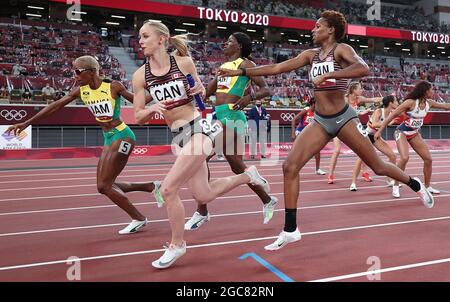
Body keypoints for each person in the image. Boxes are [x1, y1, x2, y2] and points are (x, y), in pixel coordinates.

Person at [219, 10, 434, 251]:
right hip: (320, 120)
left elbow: (362, 69)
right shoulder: (310, 55)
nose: (313, 29)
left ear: (331, 29)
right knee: (289, 166)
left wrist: (332, 73)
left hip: (343, 118)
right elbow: (278, 68)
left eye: (318, 26)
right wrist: (242, 72)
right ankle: (291, 229)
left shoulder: (341, 50)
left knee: (378, 166)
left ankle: (414, 183)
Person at [133, 21, 270, 268]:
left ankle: (177, 245)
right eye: (139, 37)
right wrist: (152, 108)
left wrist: (196, 89)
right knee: (203, 193)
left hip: (198, 131)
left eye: (145, 36)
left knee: (167, 190)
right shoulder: (139, 76)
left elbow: (198, 96)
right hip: (179, 136)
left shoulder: (184, 63)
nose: (140, 41)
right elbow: (138, 116)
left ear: (161, 39)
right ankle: (248, 176)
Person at [6, 55, 159, 235]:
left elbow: (137, 102)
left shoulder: (113, 86)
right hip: (108, 137)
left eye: (78, 71)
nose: (75, 76)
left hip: (123, 135)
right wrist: (25, 123)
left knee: (104, 186)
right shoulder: (81, 90)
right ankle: (151, 186)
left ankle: (139, 218)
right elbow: (56, 106)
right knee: (104, 185)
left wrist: (155, 90)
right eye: (74, 71)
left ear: (92, 71)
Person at [184, 32, 277, 231]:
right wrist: (191, 97)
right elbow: (207, 92)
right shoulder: (224, 67)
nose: (224, 44)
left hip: (234, 117)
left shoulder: (247, 65)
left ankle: (202, 211)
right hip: (218, 115)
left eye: (229, 42)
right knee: (236, 166)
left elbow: (267, 89)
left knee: (202, 156)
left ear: (240, 46)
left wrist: (248, 98)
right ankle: (268, 200)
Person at [375, 80, 450, 196]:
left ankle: (428, 186)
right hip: (402, 132)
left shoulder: (429, 103)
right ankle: (395, 185)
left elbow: (446, 106)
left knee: (428, 159)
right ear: (425, 91)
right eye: (431, 89)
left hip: (414, 133)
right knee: (404, 158)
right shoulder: (410, 103)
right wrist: (379, 131)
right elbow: (391, 116)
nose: (433, 91)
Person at [327, 81, 381, 184]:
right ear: (354, 89)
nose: (362, 90)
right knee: (337, 150)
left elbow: (373, 99)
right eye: (360, 88)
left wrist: (386, 99)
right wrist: (359, 112)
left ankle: (365, 172)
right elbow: (340, 111)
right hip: (340, 126)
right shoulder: (344, 99)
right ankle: (330, 174)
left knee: (365, 147)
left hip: (353, 126)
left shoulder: (359, 99)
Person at [350, 95, 399, 197]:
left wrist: (390, 122)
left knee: (392, 156)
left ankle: (390, 179)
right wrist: (387, 123)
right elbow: (374, 124)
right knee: (361, 159)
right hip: (367, 136)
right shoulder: (379, 111)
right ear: (390, 103)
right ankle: (353, 183)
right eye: (396, 101)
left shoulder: (390, 113)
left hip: (376, 137)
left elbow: (382, 124)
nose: (397, 103)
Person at [291, 97, 326, 175]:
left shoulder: (318, 112)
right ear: (313, 104)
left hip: (310, 133)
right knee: (300, 152)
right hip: (300, 132)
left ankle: (317, 169)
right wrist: (293, 133)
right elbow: (294, 120)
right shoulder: (306, 110)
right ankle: (295, 168)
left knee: (317, 150)